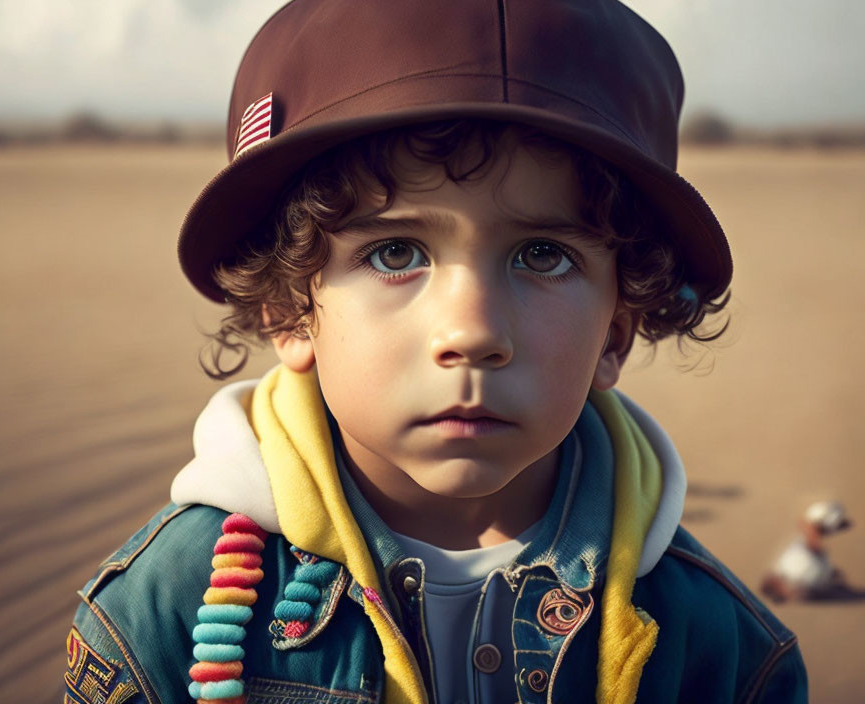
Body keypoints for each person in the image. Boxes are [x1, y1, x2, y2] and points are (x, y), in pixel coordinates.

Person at [64, 1, 807, 702]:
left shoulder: (721, 646)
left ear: (618, 329)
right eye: (394, 251)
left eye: (543, 254)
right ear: (290, 309)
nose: (473, 331)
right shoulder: (164, 610)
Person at [762, 500, 853, 602]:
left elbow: (809, 532)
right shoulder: (806, 549)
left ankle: (788, 588)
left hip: (805, 575)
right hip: (804, 575)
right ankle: (790, 589)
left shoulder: (806, 550)